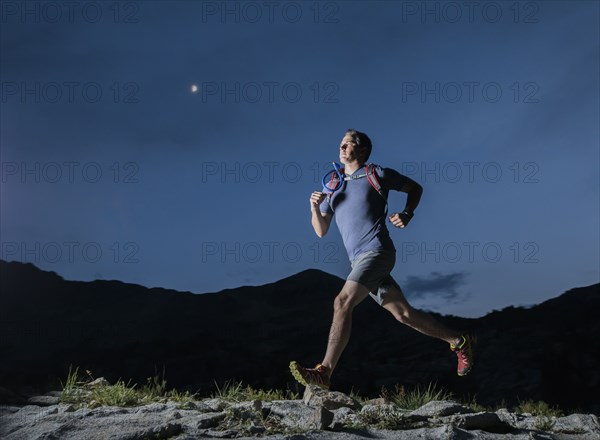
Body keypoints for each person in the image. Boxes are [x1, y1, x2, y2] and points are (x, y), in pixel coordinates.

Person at [289, 128, 474, 390]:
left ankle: (324, 372)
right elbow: (320, 230)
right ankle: (458, 341)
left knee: (342, 302)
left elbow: (415, 188)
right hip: (360, 261)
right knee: (403, 314)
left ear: (362, 150)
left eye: (348, 143)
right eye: (340, 143)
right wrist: (313, 207)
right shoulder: (333, 186)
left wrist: (407, 213)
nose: (342, 148)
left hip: (377, 252)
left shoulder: (377, 174)